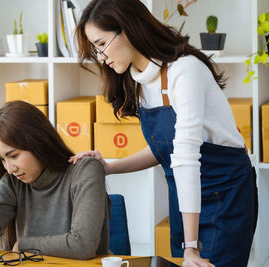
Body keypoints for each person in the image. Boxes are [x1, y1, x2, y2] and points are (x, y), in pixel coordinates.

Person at [71, 0, 257, 266]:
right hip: (184, 199)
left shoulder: (185, 70)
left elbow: (185, 157)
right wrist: (108, 167)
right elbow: (165, 150)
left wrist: (191, 248)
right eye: (95, 49)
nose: (101, 57)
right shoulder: (138, 79)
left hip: (224, 196)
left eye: (101, 44)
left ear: (128, 28)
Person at [0, 100, 109, 260]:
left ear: (37, 142)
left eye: (14, 156)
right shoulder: (14, 182)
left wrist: (24, 245)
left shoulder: (85, 170)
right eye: (2, 159)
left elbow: (83, 245)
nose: (10, 168)